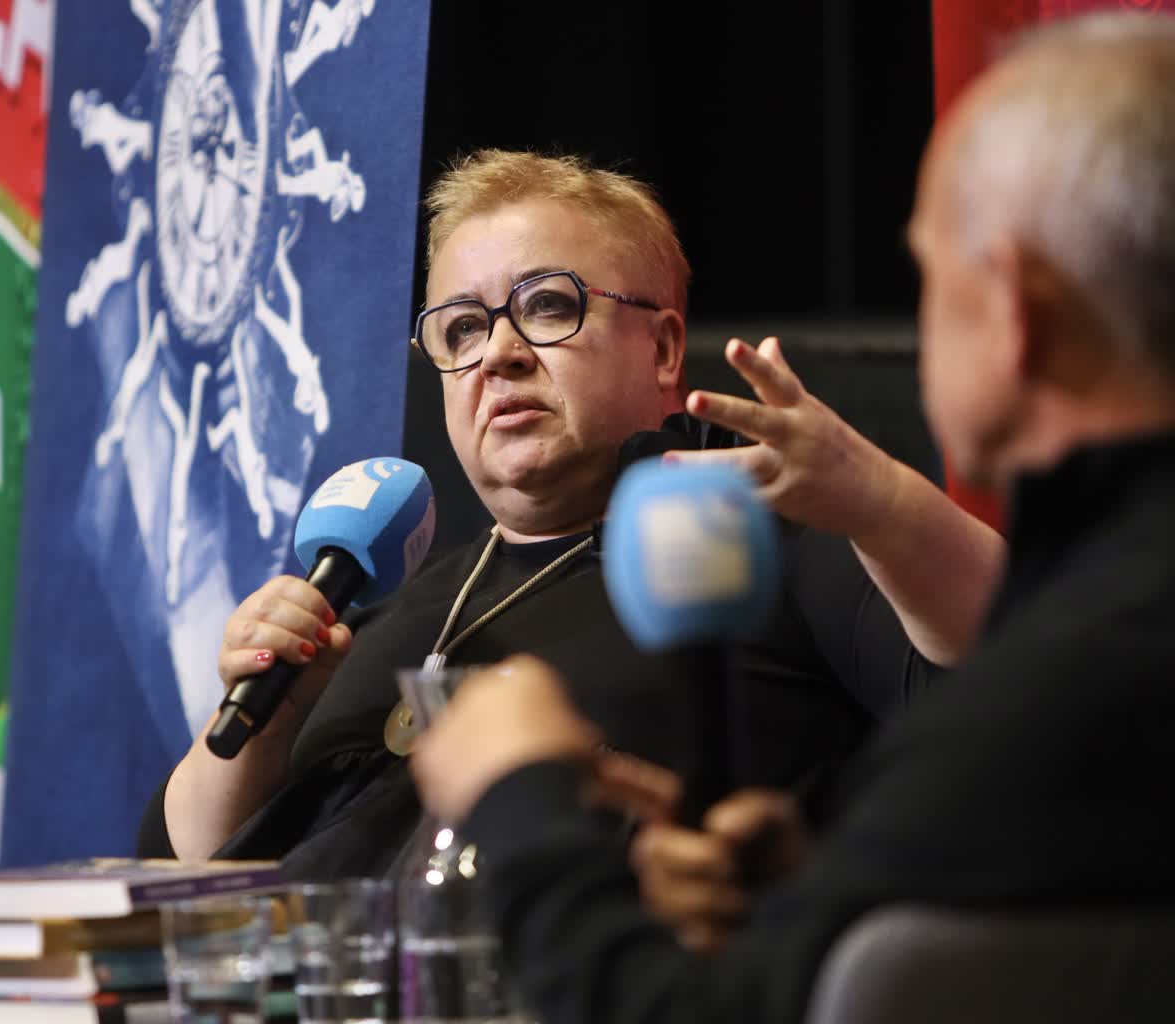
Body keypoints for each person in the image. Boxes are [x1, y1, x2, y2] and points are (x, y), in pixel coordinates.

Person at [411, 13, 1175, 1022]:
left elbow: (690, 1014)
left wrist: (521, 795)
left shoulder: (1082, 658)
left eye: (928, 276)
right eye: (464, 327)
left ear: (1012, 312)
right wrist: (808, 887)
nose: (502, 352)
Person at [137, 149, 998, 878]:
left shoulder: (757, 539)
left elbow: (1015, 659)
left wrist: (880, 501)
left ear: (662, 347)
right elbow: (180, 868)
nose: (498, 353)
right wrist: (276, 720)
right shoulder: (380, 608)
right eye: (462, 329)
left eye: (547, 305)